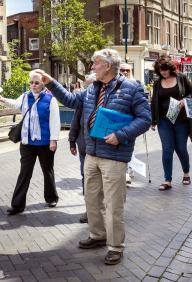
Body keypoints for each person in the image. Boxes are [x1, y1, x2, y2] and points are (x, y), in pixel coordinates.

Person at [36, 49, 151, 266]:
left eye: (95, 63)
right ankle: (98, 236)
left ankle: (116, 247)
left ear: (108, 65)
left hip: (114, 156)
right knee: (91, 199)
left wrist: (121, 134)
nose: (92, 67)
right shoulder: (91, 89)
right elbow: (70, 100)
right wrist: (50, 82)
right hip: (91, 154)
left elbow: (145, 119)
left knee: (114, 203)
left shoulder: (132, 88)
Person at [0, 70, 61, 215]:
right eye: (31, 82)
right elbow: (15, 105)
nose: (34, 85)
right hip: (27, 142)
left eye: (37, 83)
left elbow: (55, 121)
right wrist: (2, 99)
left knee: (47, 170)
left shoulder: (50, 98)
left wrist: (53, 140)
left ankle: (51, 197)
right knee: (24, 172)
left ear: (43, 83)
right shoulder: (25, 96)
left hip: (44, 142)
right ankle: (17, 205)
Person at [150, 54, 192, 191]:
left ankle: (186, 173)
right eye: (160, 70)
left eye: (165, 69)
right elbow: (153, 101)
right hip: (164, 120)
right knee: (167, 149)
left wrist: (184, 101)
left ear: (170, 68)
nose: (163, 72)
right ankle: (167, 180)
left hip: (181, 119)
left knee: (180, 148)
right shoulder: (158, 82)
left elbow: (191, 93)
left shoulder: (181, 78)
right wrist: (153, 120)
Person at [68, 73, 96, 224]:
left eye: (93, 85)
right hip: (84, 147)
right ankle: (89, 209)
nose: (89, 89)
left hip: (100, 148)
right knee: (86, 177)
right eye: (88, 86)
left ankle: (100, 209)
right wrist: (72, 141)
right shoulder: (82, 101)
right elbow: (75, 122)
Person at [119, 63, 135, 184]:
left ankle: (128, 170)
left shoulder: (135, 85)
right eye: (122, 70)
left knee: (129, 147)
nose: (125, 72)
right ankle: (125, 172)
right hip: (119, 120)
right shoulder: (116, 84)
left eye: (127, 70)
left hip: (131, 121)